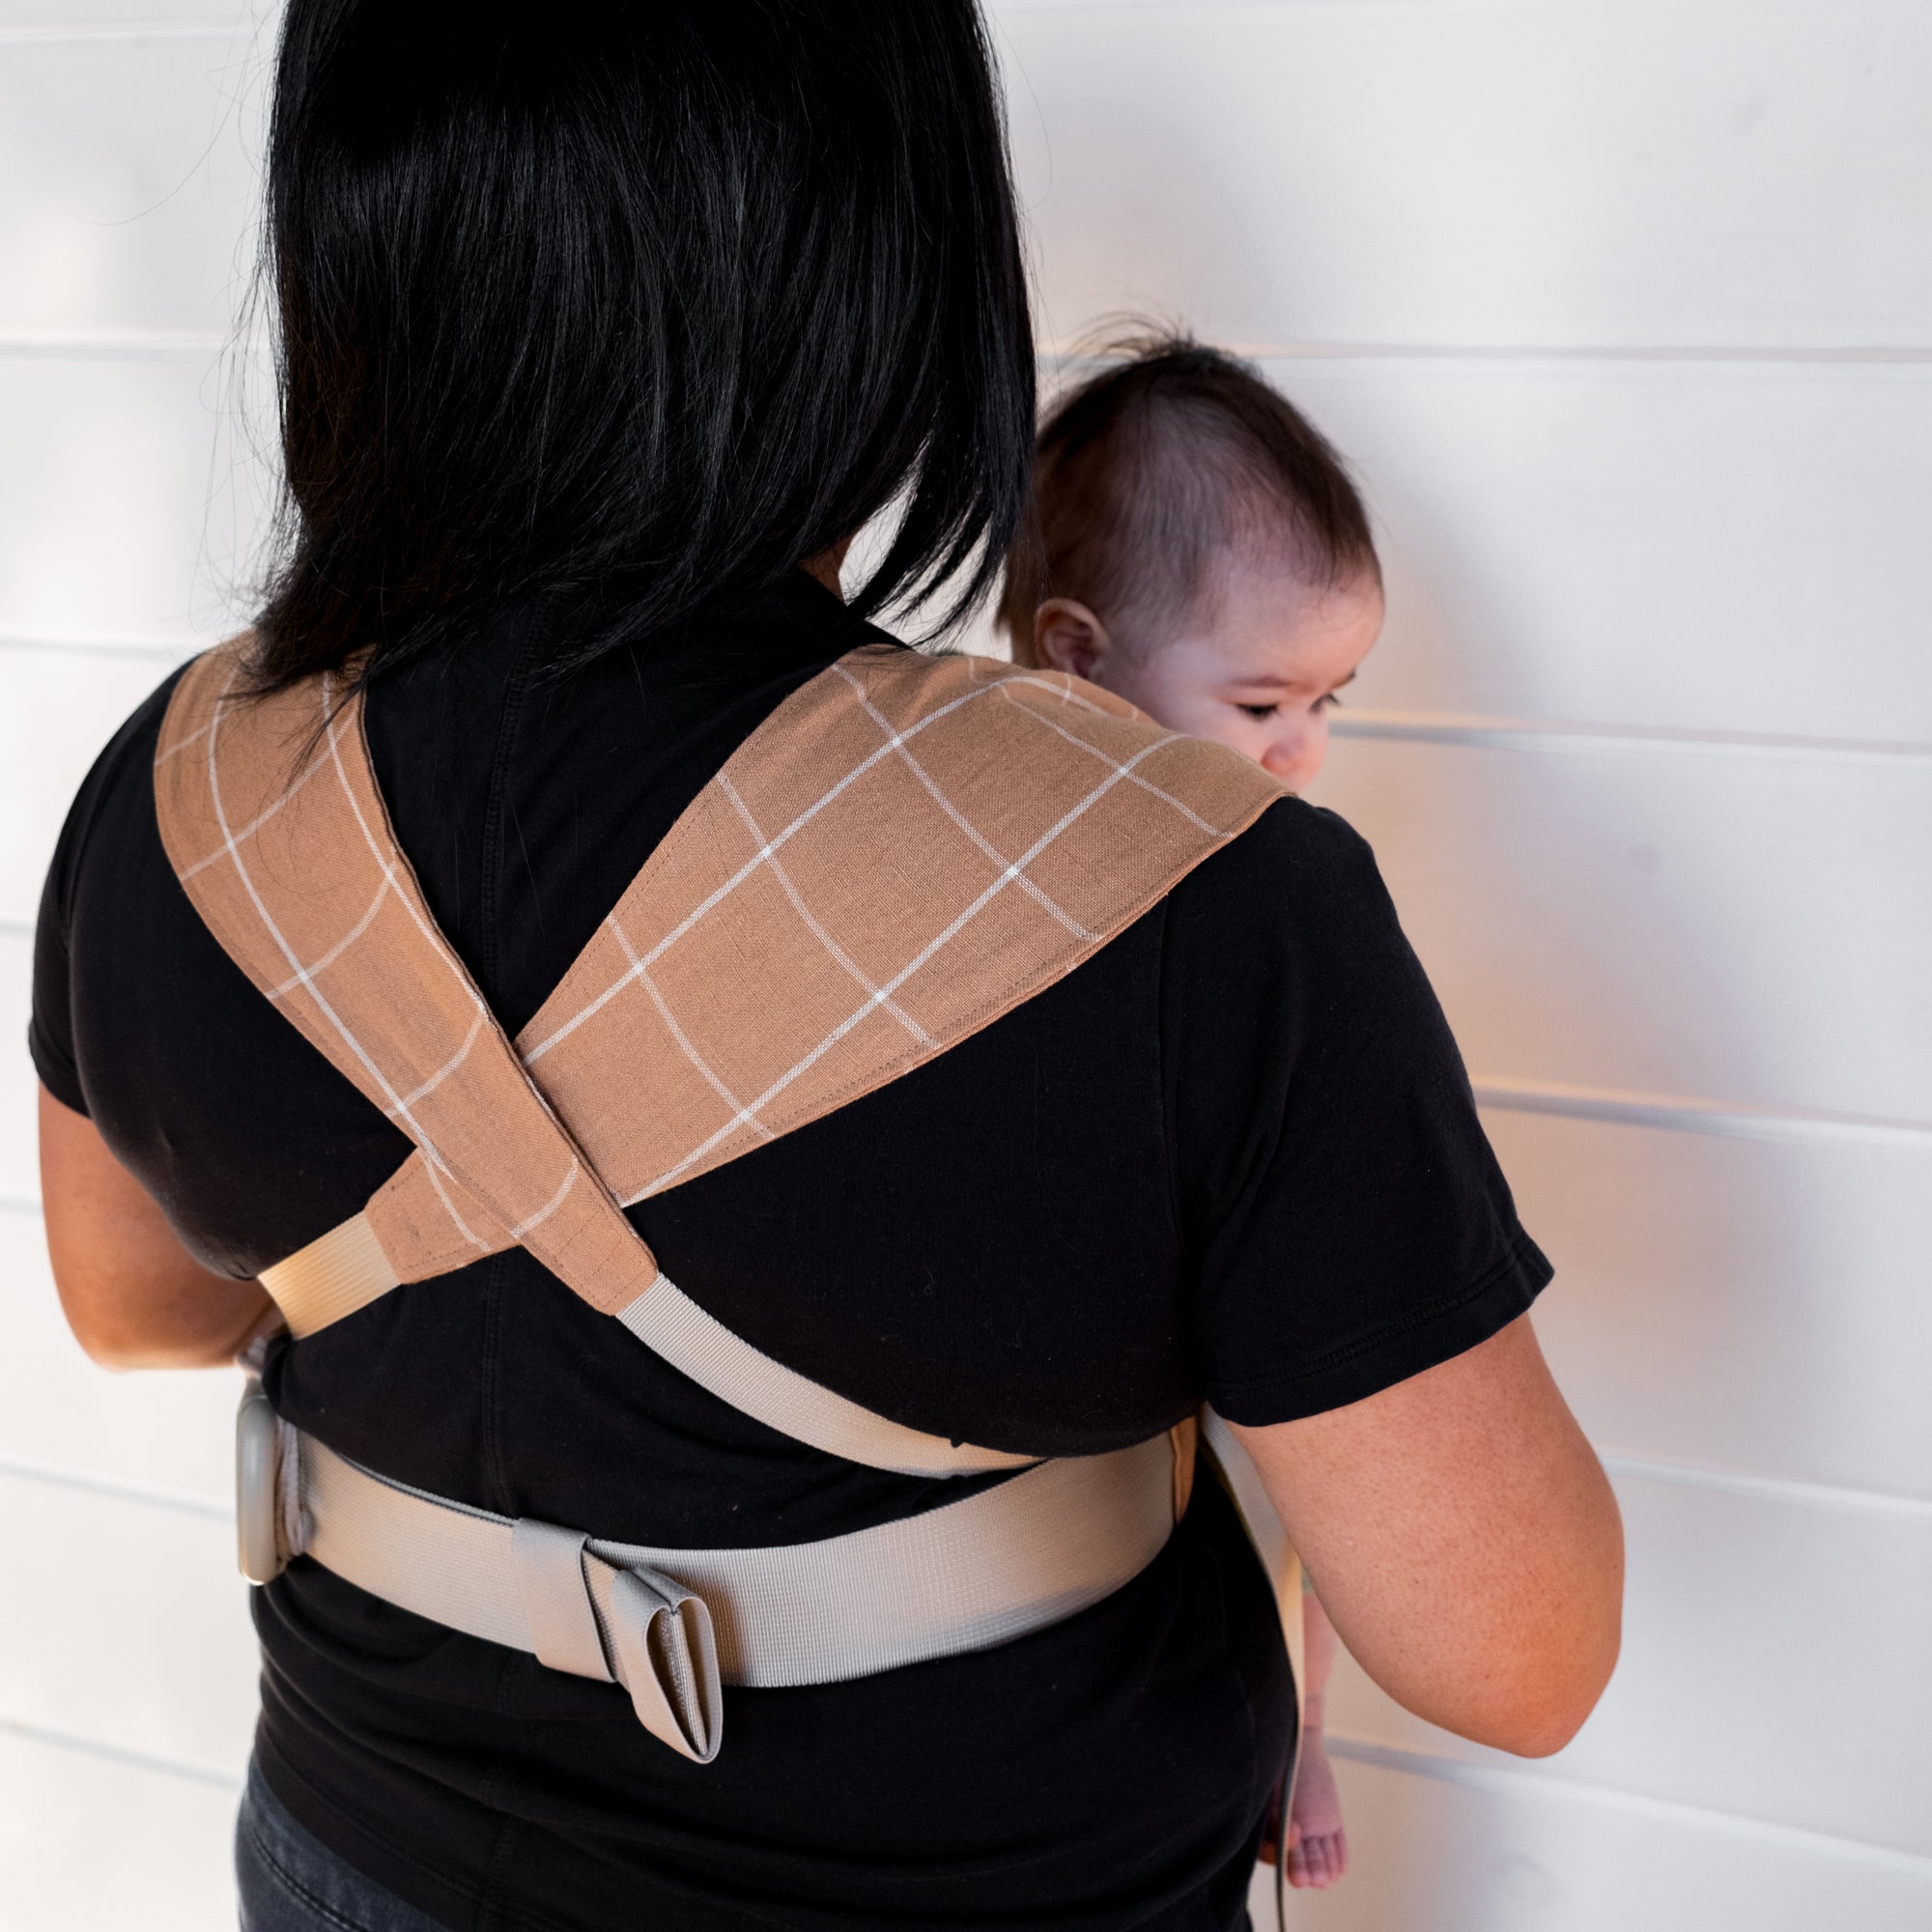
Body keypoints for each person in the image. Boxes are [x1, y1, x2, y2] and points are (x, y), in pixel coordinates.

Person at [32, 8, 1623, 1932]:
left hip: (351, 1862)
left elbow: (130, 1305)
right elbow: (1514, 1652)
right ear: (881, 259)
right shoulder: (1193, 889)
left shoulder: (178, 783)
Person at [997, 335, 1384, 1889]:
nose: (1305, 752)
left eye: (1332, 698)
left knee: (1312, 1478)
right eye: (1262, 701)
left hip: (1221, 1472)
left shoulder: (1270, 916)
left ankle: (1300, 1727)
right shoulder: (955, 861)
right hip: (1021, 1548)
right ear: (1076, 657)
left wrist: (1302, 1725)